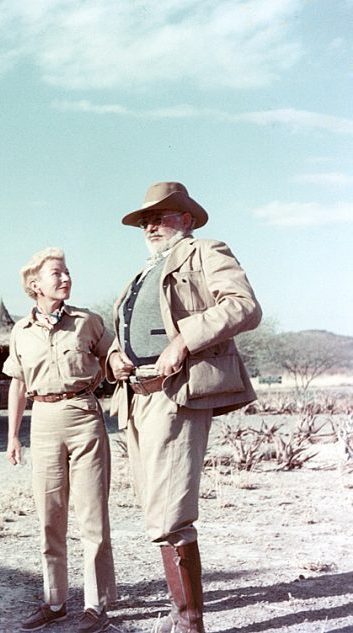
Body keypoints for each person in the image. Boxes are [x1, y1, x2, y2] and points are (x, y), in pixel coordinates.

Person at [106, 182, 261, 633]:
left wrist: (184, 341)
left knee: (172, 509)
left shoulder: (205, 251)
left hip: (178, 392)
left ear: (187, 219)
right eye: (145, 220)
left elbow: (244, 306)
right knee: (156, 508)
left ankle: (191, 622)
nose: (151, 225)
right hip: (136, 397)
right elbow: (133, 328)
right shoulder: (142, 273)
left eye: (163, 216)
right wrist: (116, 354)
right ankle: (180, 612)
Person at [3, 247, 116, 633]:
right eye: (57, 273)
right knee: (50, 516)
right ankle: (55, 601)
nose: (66, 278)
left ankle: (95, 607)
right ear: (35, 285)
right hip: (43, 420)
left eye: (68, 271)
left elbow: (113, 358)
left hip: (84, 417)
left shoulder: (88, 322)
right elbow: (18, 384)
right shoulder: (20, 331)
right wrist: (12, 437)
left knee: (92, 516)